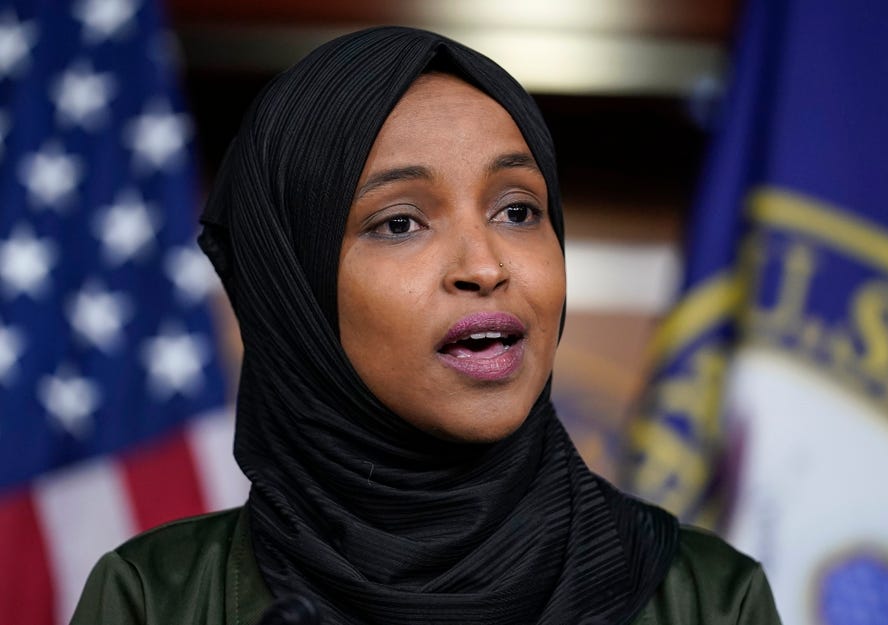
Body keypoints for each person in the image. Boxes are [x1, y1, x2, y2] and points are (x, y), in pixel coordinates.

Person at [71, 26, 781, 624]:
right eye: (400, 222)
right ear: (293, 291)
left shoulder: (707, 598)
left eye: (517, 210)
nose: (484, 264)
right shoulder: (157, 597)